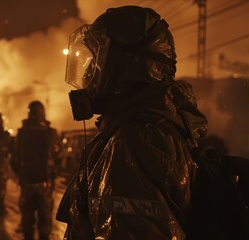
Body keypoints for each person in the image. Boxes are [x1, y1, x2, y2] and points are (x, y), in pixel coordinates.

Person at [56, 6, 208, 239]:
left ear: (121, 67)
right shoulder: (153, 129)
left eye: (95, 60)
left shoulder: (134, 142)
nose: (87, 74)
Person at [11, 101, 62, 240]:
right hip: (44, 186)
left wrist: (21, 175)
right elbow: (59, 156)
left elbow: (14, 160)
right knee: (45, 220)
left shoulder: (21, 134)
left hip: (27, 185)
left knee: (27, 220)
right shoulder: (51, 134)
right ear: (43, 114)